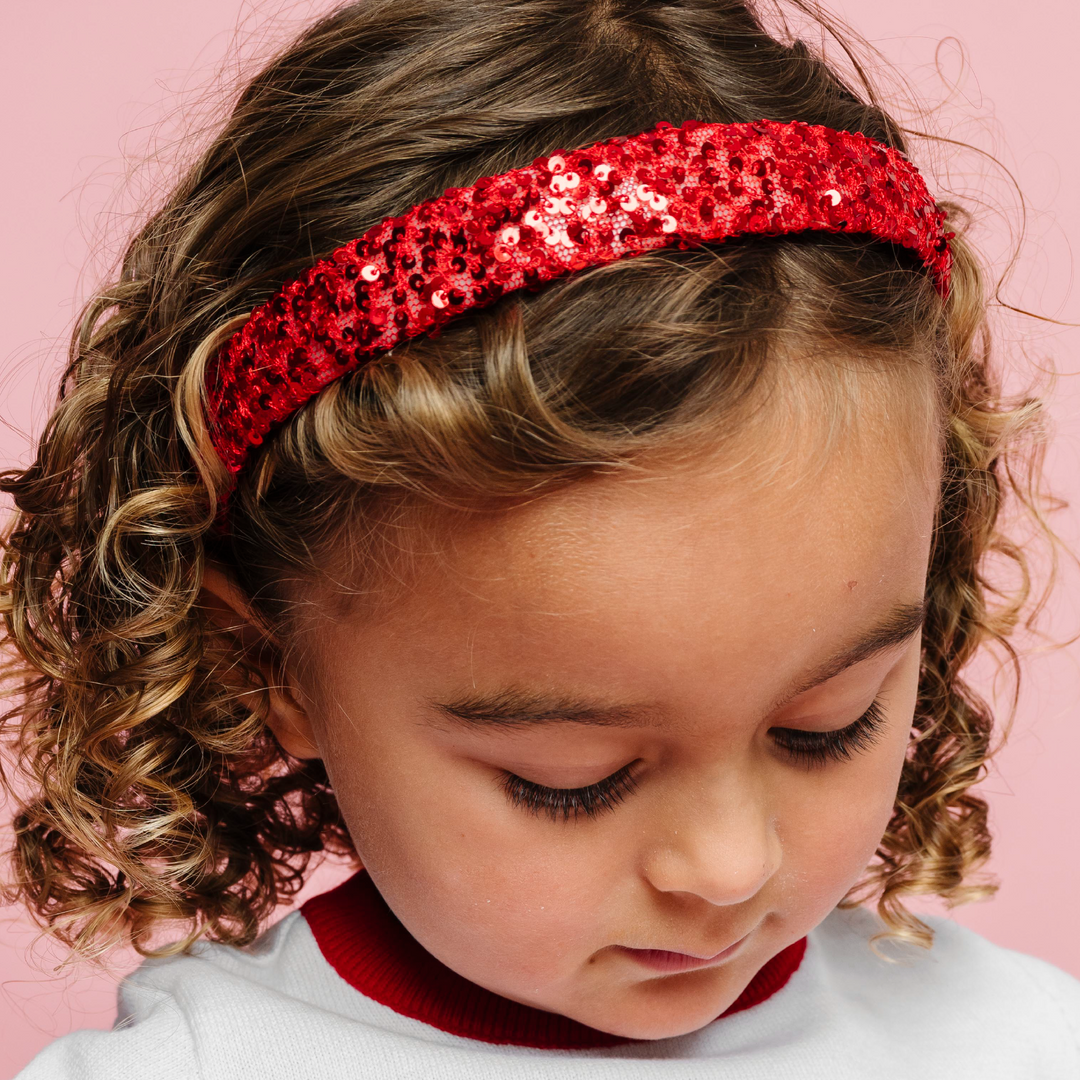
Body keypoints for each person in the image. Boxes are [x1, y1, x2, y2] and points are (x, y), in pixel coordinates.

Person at [2, 0, 1078, 1076]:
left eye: (828, 727)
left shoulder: (1021, 1044)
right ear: (264, 664)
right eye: (572, 779)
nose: (727, 866)